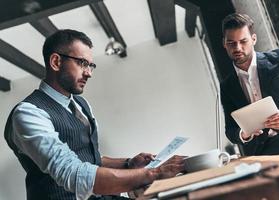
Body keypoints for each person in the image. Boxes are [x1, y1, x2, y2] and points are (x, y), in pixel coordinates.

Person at [4, 29, 184, 200]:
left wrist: (128, 164)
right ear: (56, 62)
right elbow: (72, 173)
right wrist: (154, 173)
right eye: (82, 63)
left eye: (91, 65)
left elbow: (90, 157)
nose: (89, 73)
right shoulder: (28, 113)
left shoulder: (81, 104)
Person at [220, 13, 279, 156]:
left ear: (254, 39)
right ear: (224, 44)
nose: (237, 48)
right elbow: (230, 130)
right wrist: (243, 134)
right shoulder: (227, 86)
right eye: (231, 43)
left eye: (243, 41)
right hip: (262, 152)